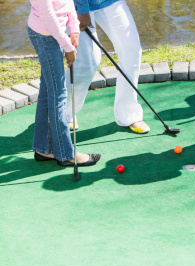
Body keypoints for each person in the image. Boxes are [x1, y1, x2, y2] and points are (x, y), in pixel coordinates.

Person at [28, 0, 101, 167]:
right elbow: (47, 16)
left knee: (48, 90)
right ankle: (65, 154)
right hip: (45, 36)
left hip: (54, 34)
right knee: (58, 95)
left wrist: (74, 28)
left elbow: (67, 2)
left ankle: (43, 149)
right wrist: (67, 47)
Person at [66, 0, 149, 134]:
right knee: (89, 61)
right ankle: (65, 112)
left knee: (131, 50)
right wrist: (82, 9)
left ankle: (128, 114)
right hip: (76, 4)